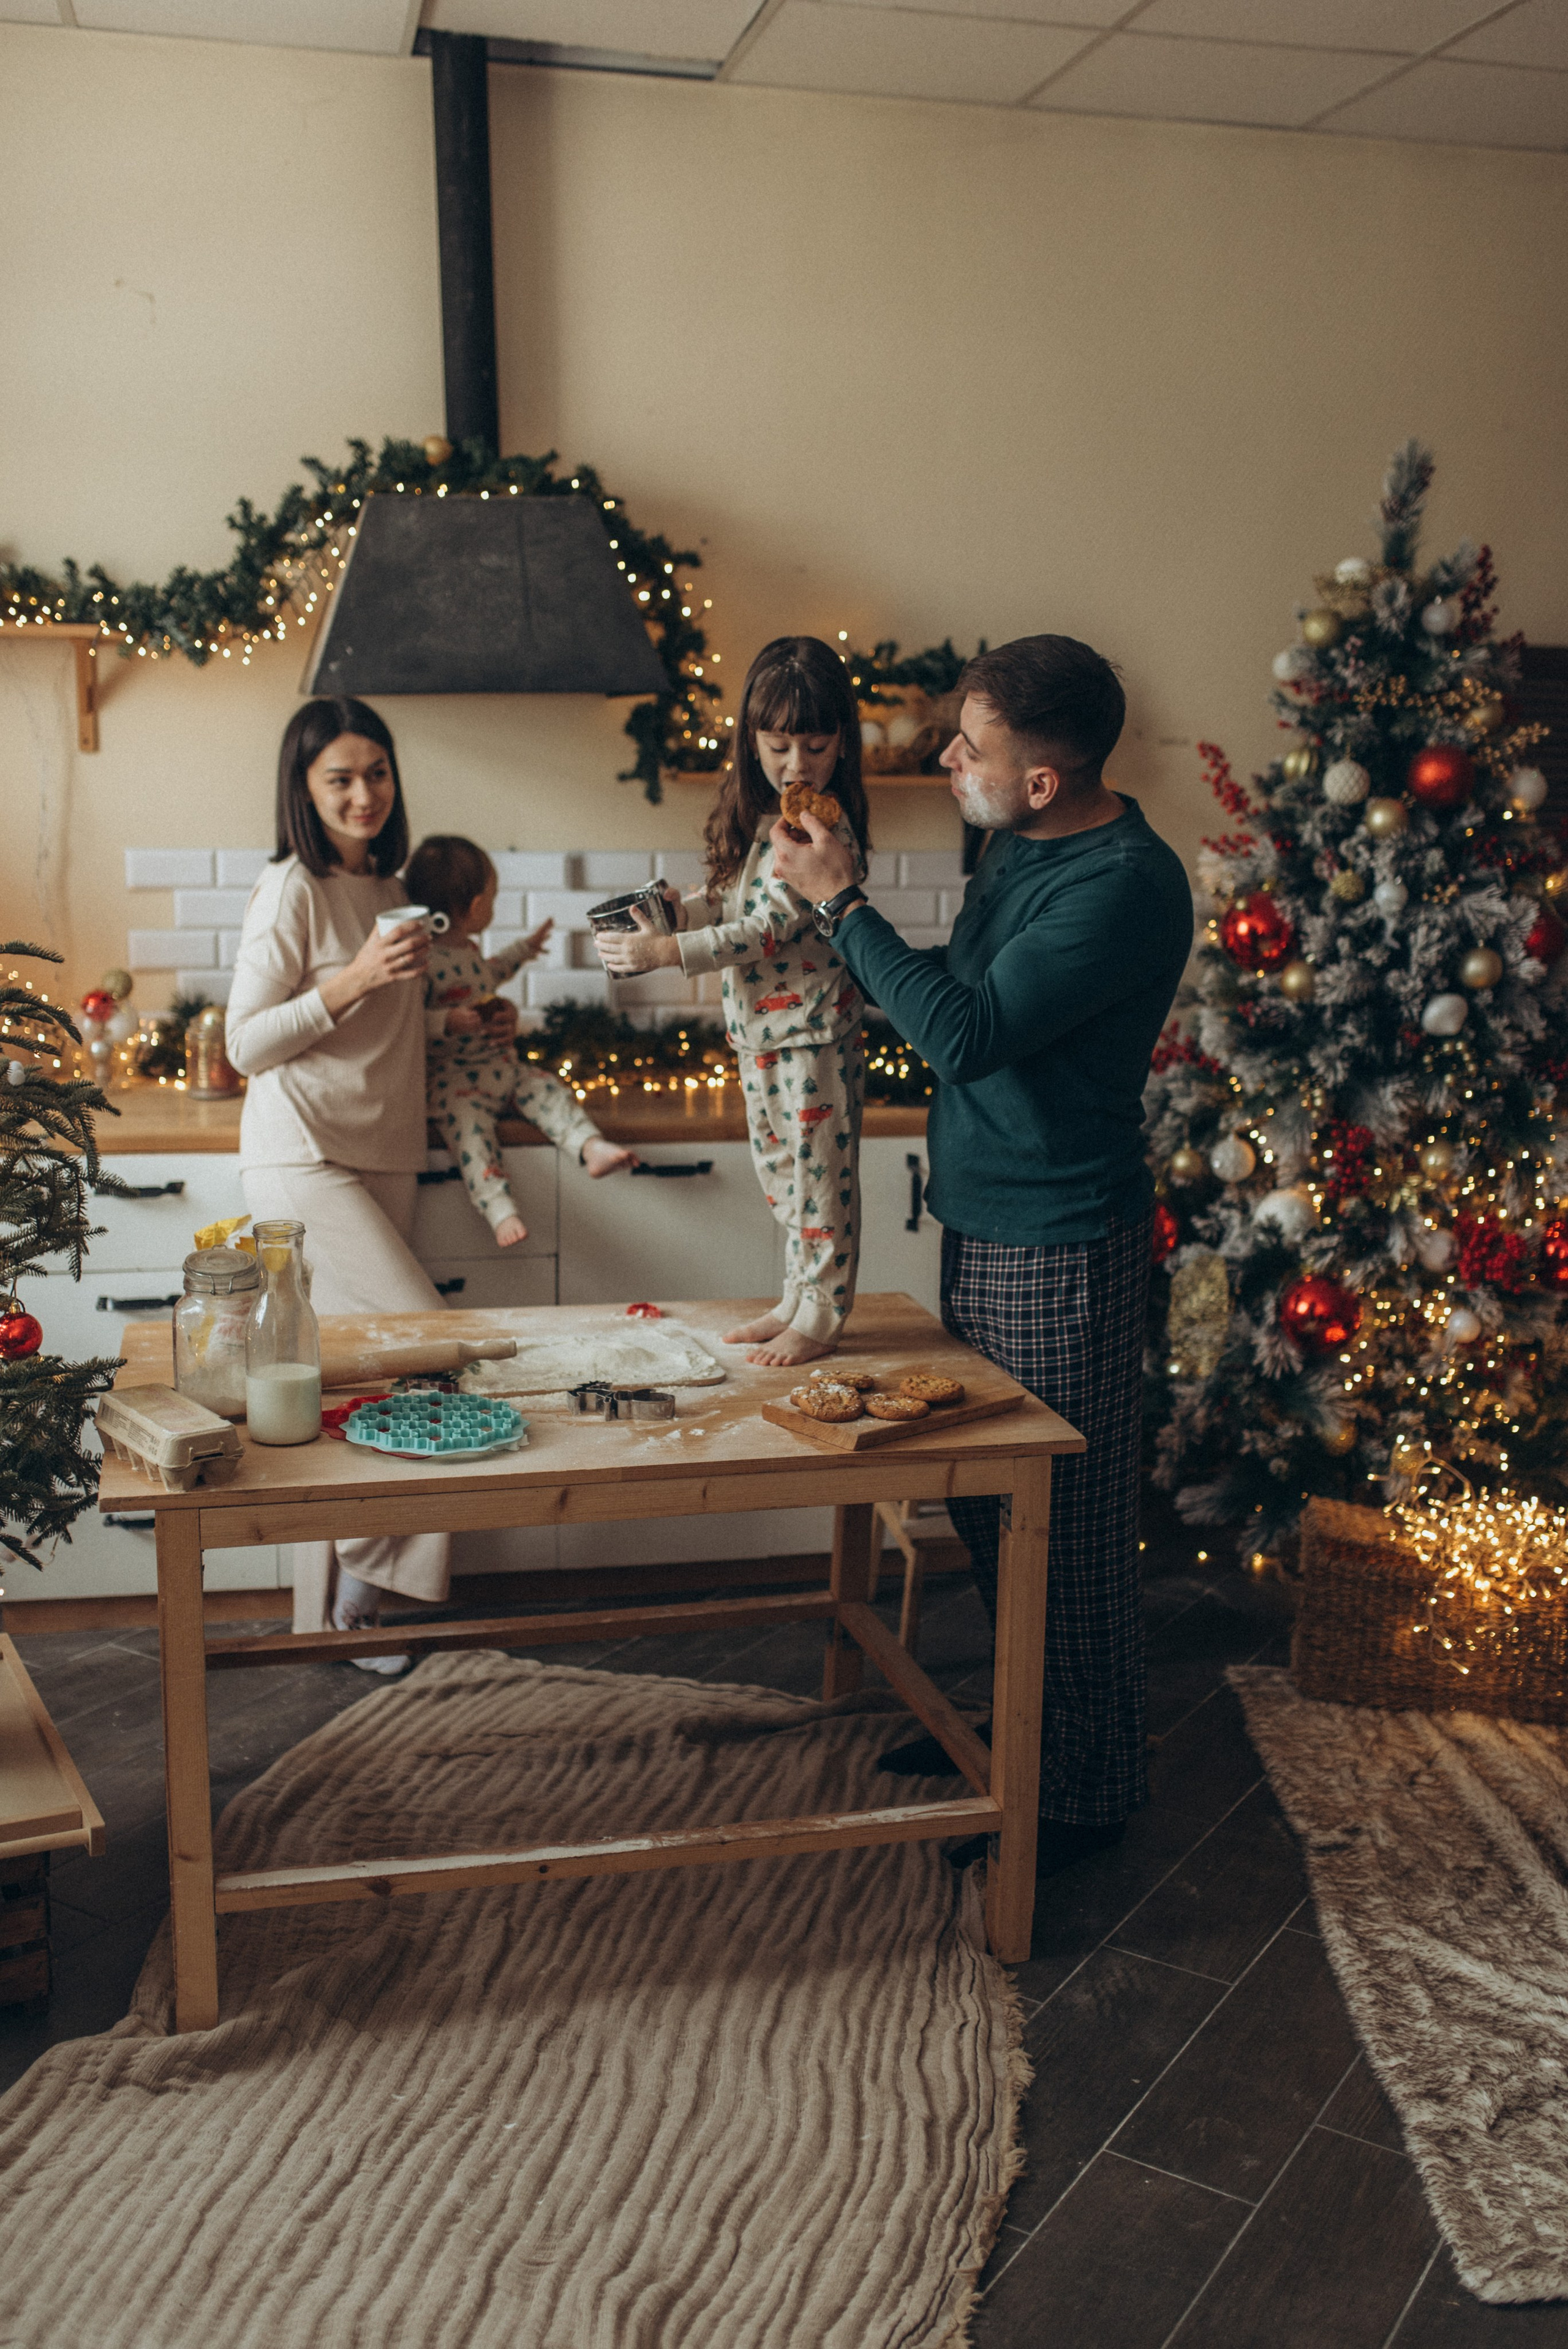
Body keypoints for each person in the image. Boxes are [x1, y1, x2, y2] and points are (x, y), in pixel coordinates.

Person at [769, 635, 1193, 1872]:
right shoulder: (1019, 845)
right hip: (987, 1217)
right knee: (988, 1506)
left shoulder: (1119, 883)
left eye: (971, 746)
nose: (945, 757)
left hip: (1059, 1235)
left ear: (1043, 779)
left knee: (1057, 1525)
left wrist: (842, 903)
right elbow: (958, 986)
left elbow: (964, 1034)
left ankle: (1081, 1793)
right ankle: (1017, 1741)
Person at [226, 696, 449, 1671]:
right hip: (303, 1155)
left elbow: (383, 1038)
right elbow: (246, 1041)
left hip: (385, 1148)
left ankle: (328, 1622)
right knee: (432, 1353)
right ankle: (374, 1578)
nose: (364, 793)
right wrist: (356, 977)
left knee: (344, 1384)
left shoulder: (391, 884)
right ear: (305, 790)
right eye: (340, 778)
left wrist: (452, 1021)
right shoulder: (293, 888)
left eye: (377, 772)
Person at [595, 636, 870, 1368]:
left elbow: (769, 926)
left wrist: (666, 955)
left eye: (815, 745)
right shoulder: (763, 823)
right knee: (783, 1180)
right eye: (778, 746)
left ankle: (824, 1312)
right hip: (759, 1037)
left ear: (843, 741)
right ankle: (796, 1299)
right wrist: (674, 914)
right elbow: (729, 899)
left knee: (819, 1182)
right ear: (750, 742)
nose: (797, 766)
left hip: (811, 1036)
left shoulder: (823, 828)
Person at [405, 834, 638, 1243]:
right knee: (472, 1137)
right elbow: (407, 1023)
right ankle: (499, 1209)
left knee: (547, 1088)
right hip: (454, 1083)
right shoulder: (425, 962)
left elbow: (493, 971)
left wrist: (526, 949)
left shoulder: (468, 952)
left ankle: (589, 1146)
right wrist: (447, 1020)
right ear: (477, 906)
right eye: (492, 899)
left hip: (501, 1068)